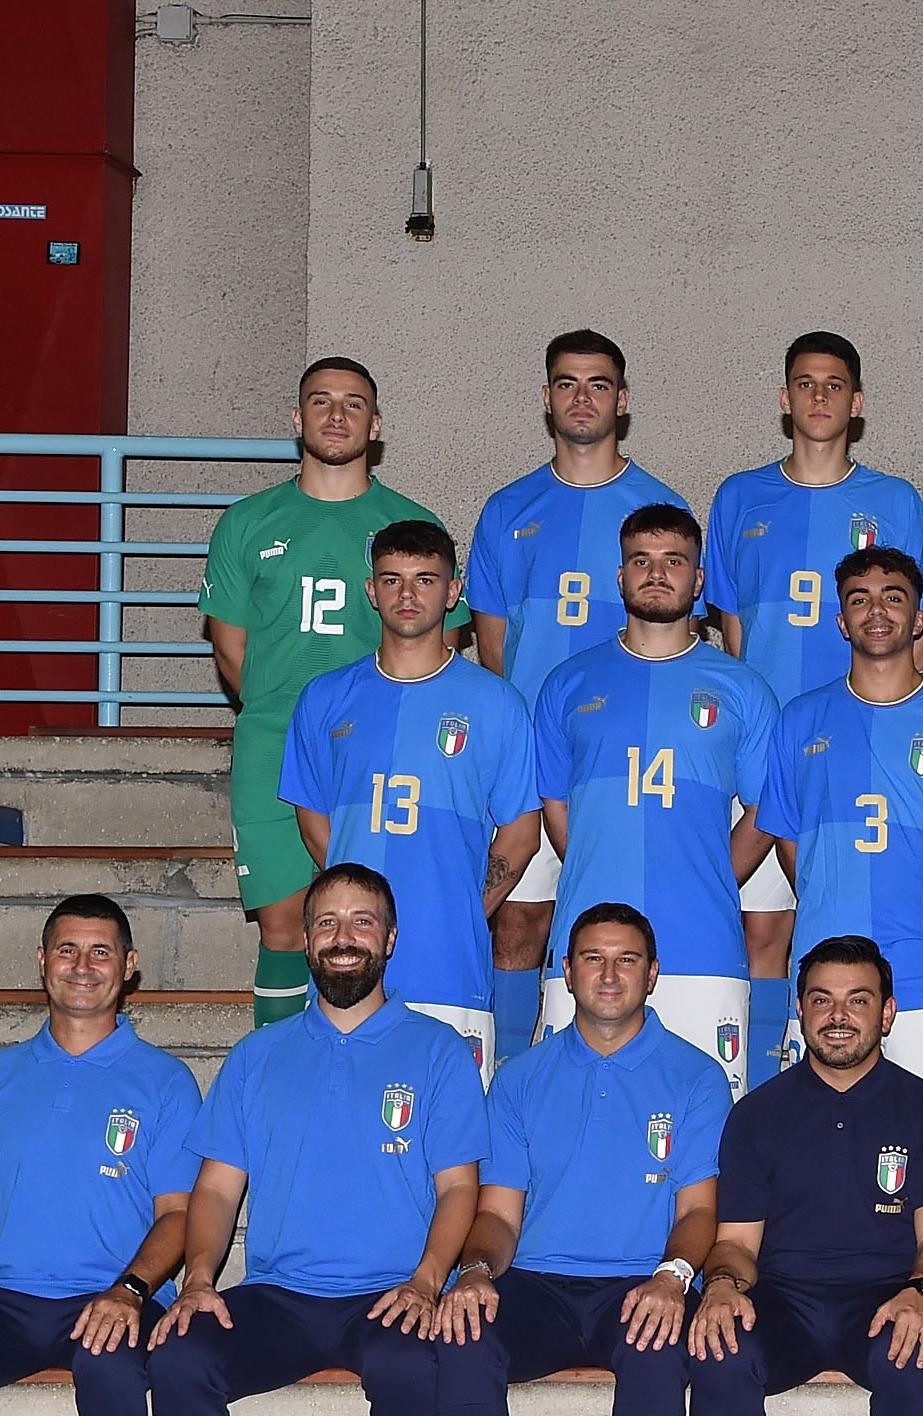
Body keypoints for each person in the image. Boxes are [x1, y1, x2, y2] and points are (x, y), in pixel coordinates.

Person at [144, 864, 485, 1416]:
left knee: (407, 1364)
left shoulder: (435, 1052)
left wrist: (428, 1279)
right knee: (176, 1352)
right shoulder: (257, 1056)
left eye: (362, 922)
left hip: (389, 1291)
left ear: (389, 940)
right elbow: (215, 1187)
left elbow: (460, 1189)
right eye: (327, 922)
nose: (343, 938)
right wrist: (199, 1277)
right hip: (281, 1294)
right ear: (304, 940)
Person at [428, 903, 728, 1416]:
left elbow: (698, 1212)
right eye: (593, 957)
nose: (609, 973)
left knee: (660, 1342)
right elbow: (499, 1214)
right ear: (567, 972)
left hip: (640, 1281)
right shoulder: (521, 1078)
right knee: (464, 1333)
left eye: (627, 959)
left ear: (652, 975)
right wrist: (472, 1271)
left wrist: (673, 1276)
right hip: (541, 1284)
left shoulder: (694, 1077)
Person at [685, 936, 923, 1416]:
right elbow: (736, 1243)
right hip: (785, 1300)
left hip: (885, 1295)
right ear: (800, 1012)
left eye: (857, 1000)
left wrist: (921, 1293)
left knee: (916, 1349)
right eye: (822, 1000)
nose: (838, 1015)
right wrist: (721, 1285)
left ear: (887, 1013)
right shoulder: (758, 1114)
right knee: (717, 1342)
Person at [704, 331, 923, 1085]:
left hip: (857, 743)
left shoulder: (895, 500)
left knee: (842, 923)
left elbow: (912, 628)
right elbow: (731, 633)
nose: (820, 398)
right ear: (784, 399)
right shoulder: (739, 496)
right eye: (805, 384)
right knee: (762, 928)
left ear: (857, 403)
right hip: (769, 745)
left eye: (835, 385)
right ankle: (764, 1089)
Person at [200, 356, 446, 1029]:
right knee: (284, 924)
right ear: (296, 417)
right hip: (275, 741)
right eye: (321, 401)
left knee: (370, 920)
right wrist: (293, 717)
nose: (337, 416)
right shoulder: (247, 521)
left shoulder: (408, 523)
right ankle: (283, 1077)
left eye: (353, 403)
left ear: (376, 423)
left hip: (377, 745)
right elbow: (231, 649)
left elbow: (437, 643)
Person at [469, 328, 691, 1066]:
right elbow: (495, 642)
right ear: (546, 398)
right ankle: (507, 1077)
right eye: (567, 383)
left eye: (598, 384)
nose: (582, 397)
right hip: (535, 755)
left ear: (622, 401)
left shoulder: (659, 503)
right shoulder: (509, 508)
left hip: (628, 758)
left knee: (630, 928)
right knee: (520, 922)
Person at [532, 505, 780, 1095]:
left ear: (699, 581)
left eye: (675, 561)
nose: (656, 574)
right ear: (619, 577)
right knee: (574, 1118)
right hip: (589, 944)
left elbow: (765, 810)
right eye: (641, 561)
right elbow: (556, 811)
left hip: (703, 944)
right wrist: (600, 870)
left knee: (708, 1130)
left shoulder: (741, 688)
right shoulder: (567, 683)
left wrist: (713, 875)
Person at [280, 518, 540, 1077]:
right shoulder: (325, 698)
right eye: (392, 579)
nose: (407, 594)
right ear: (371, 591)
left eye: (425, 579)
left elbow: (521, 832)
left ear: (453, 592)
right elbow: (313, 818)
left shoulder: (497, 704)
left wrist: (465, 910)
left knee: (449, 1145)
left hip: (450, 965)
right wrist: (355, 912)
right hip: (348, 964)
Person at [0, 895, 202, 1416]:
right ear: (41, 963)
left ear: (130, 967)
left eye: (101, 951)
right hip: (13, 1294)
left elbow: (180, 1214)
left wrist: (131, 1290)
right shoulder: (6, 1072)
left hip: (112, 1294)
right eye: (66, 950)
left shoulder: (162, 1080)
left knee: (112, 1365)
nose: (82, 966)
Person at [758, 547, 923, 1108]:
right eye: (859, 599)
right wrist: (829, 893)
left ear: (919, 619)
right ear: (841, 621)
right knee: (818, 1134)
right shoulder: (800, 718)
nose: (877, 610)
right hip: (826, 962)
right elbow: (790, 839)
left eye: (894, 598)